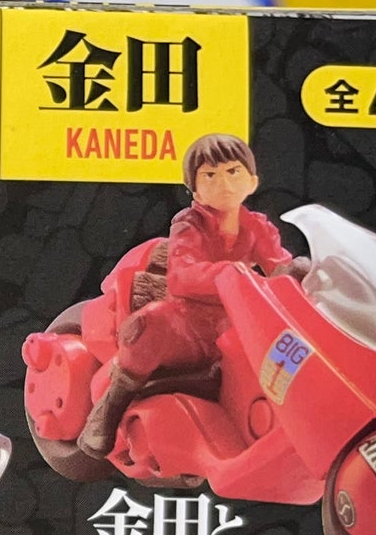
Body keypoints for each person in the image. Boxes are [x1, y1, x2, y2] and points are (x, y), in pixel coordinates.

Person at [78, 133, 302, 459]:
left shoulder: (256, 226)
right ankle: (109, 408)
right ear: (196, 191)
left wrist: (297, 271)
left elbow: (277, 264)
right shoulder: (190, 224)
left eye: (233, 172)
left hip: (236, 321)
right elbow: (182, 275)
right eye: (210, 175)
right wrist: (227, 273)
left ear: (252, 181)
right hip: (189, 323)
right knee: (150, 325)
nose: (224, 183)